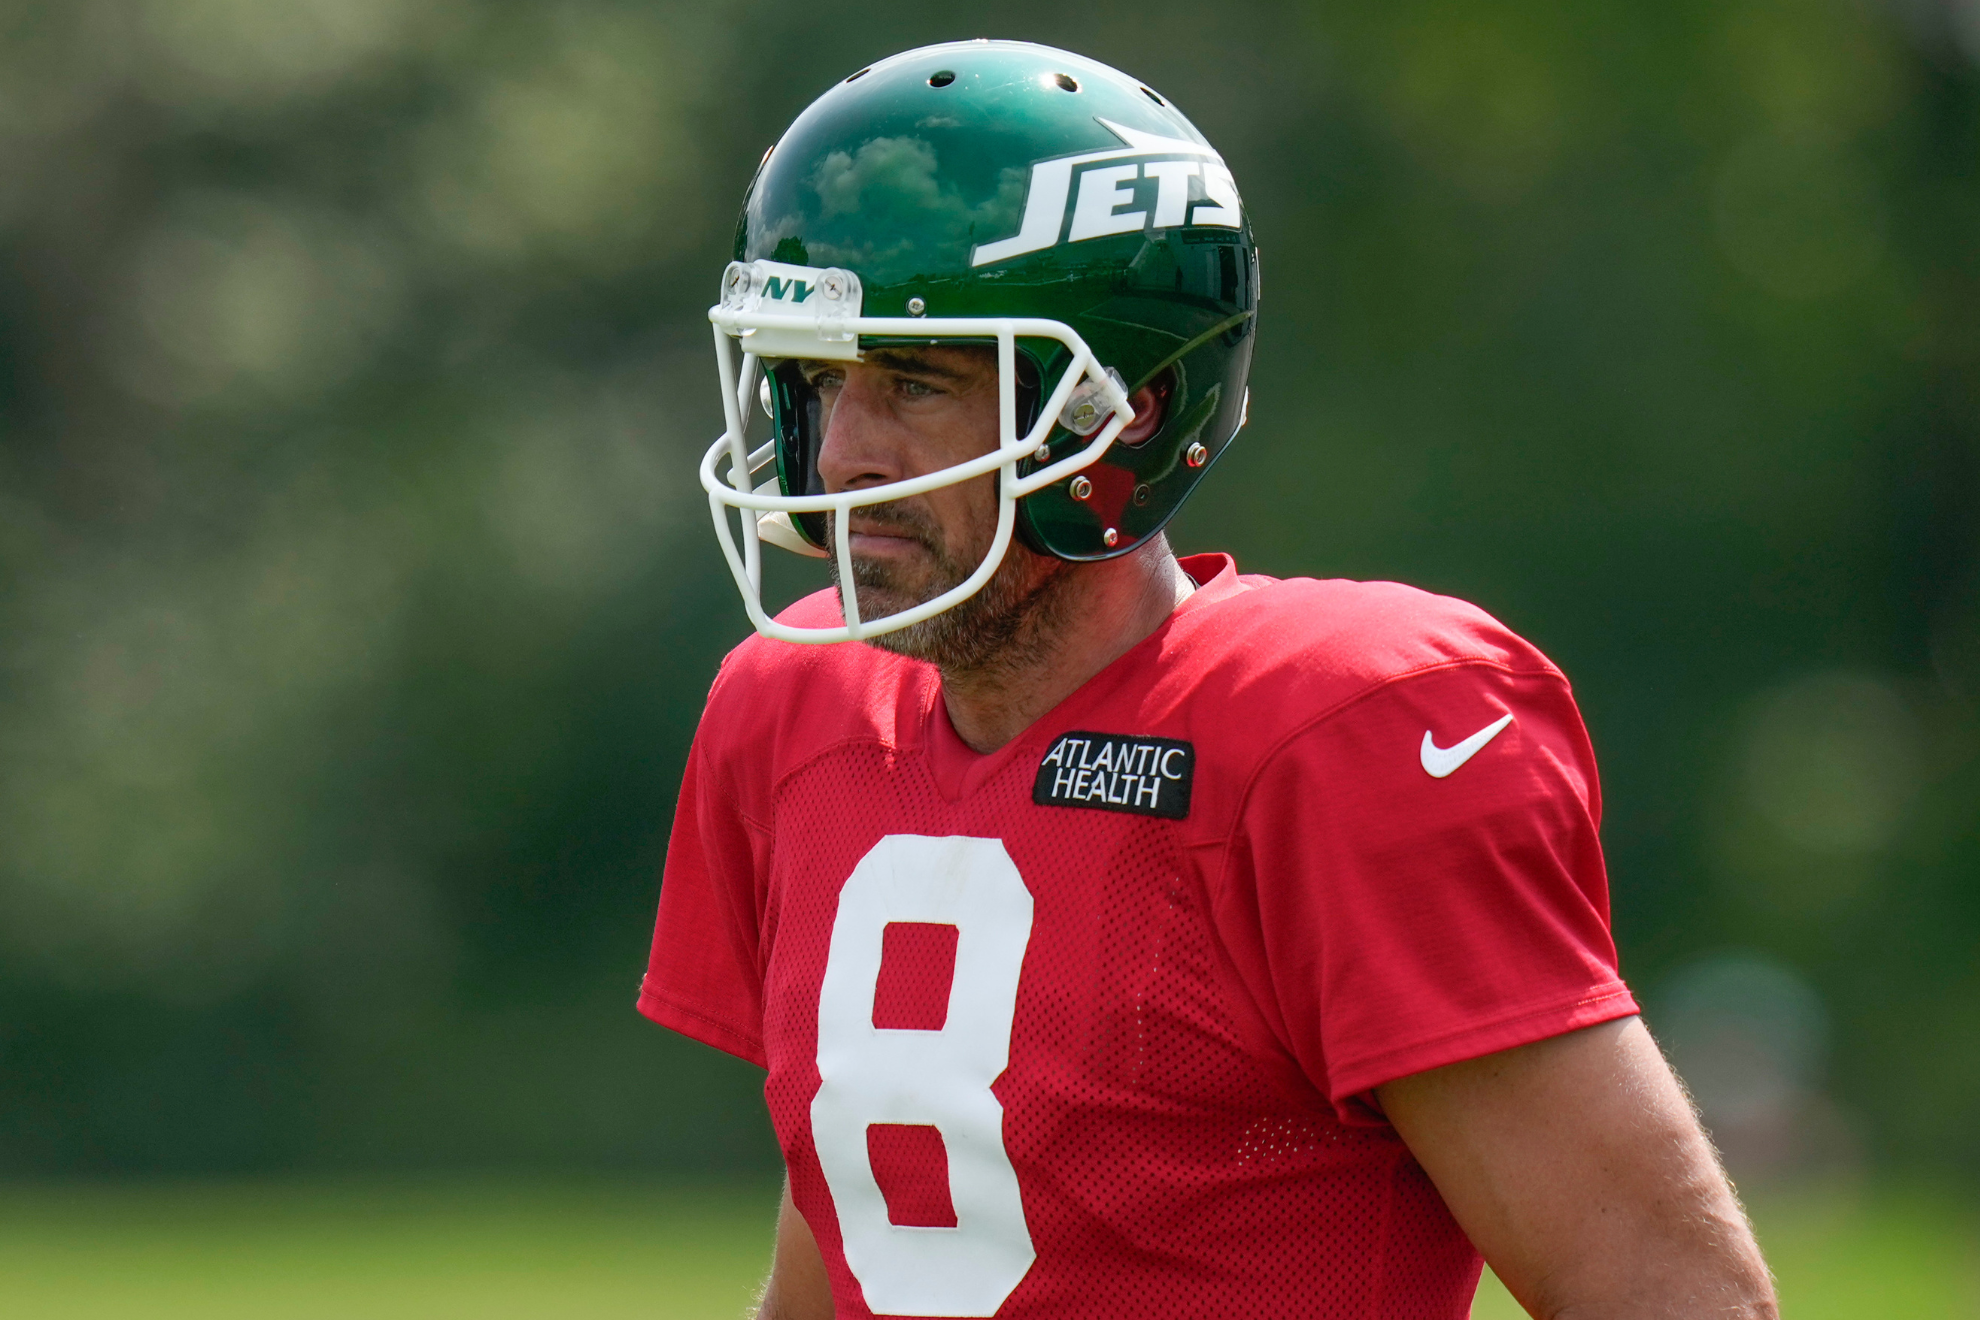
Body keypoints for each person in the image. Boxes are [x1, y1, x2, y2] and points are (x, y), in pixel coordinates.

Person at [640, 39, 1777, 1320]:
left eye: (914, 381)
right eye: (818, 383)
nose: (844, 455)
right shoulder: (788, 714)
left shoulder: (1333, 736)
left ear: (1126, 411)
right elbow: (867, 1219)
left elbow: (1666, 1290)